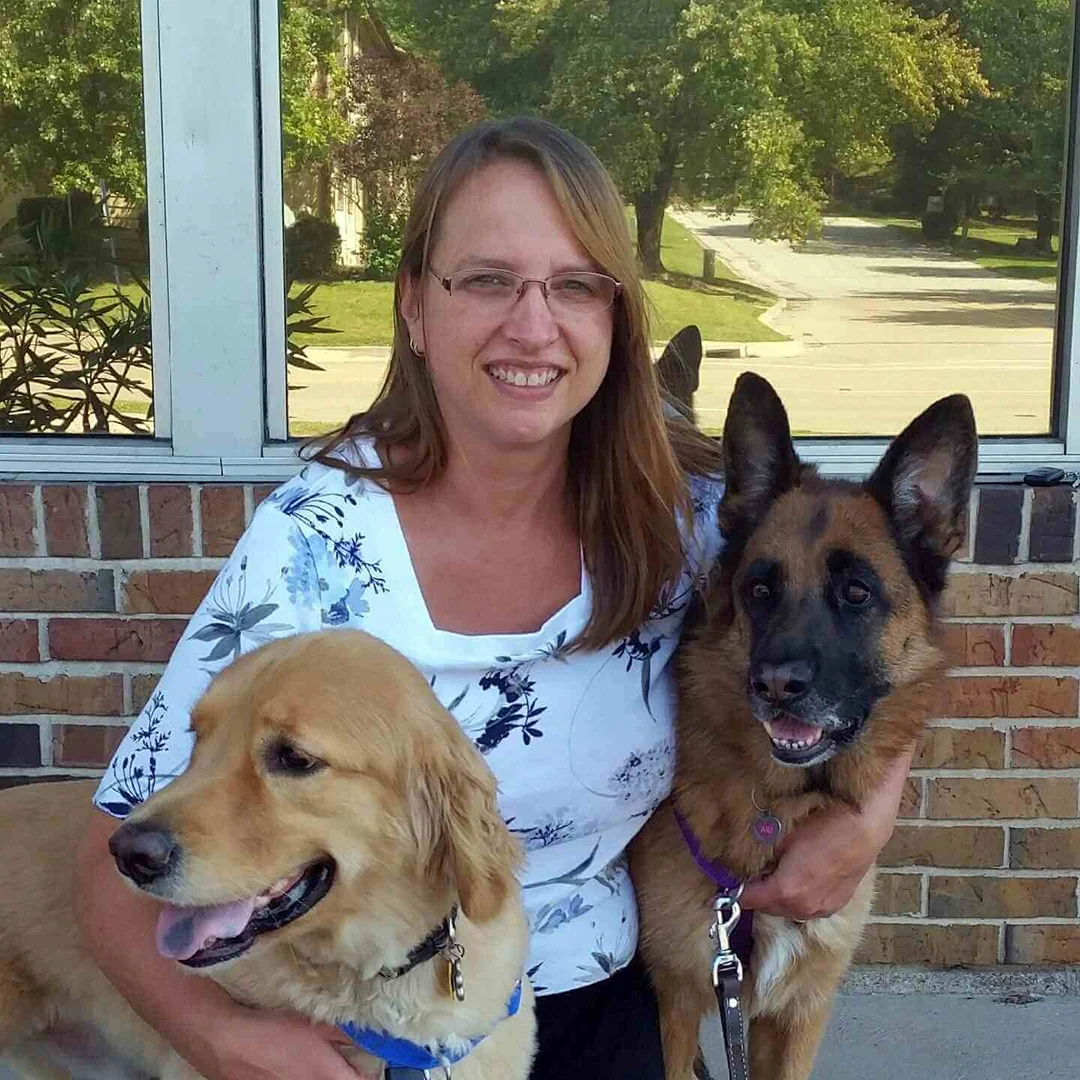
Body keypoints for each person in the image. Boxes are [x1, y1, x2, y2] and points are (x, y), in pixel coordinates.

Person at [74, 117, 913, 1080]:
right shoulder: (316, 543)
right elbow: (116, 848)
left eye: (573, 287)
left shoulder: (695, 521)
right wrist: (217, 1036)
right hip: (361, 1010)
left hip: (605, 987)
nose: (532, 324)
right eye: (486, 280)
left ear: (614, 320)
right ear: (415, 312)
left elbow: (886, 633)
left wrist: (865, 823)